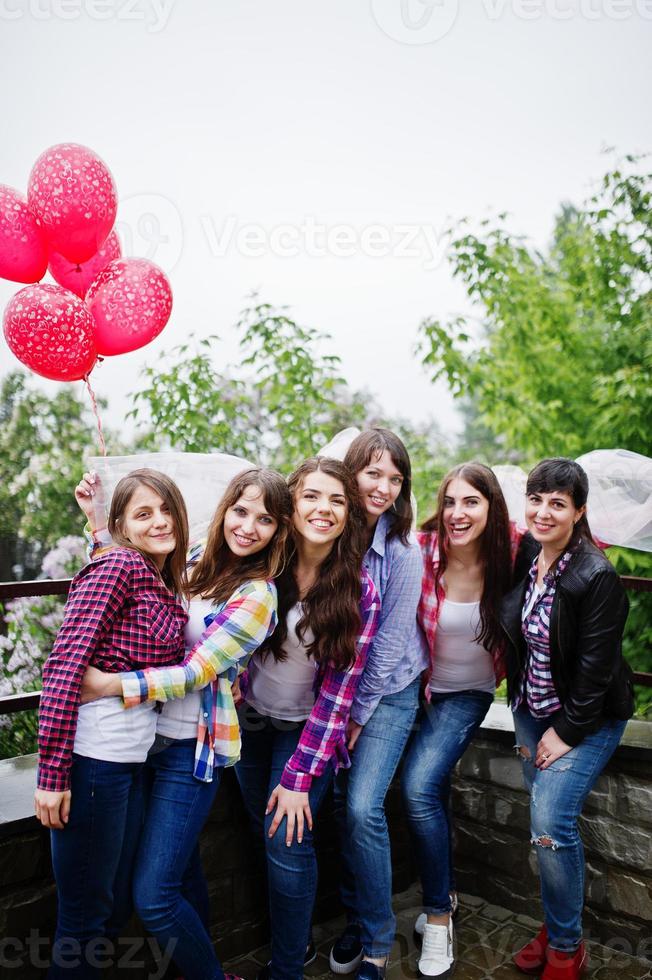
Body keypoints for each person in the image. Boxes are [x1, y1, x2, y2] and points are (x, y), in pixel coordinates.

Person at [76, 466, 293, 980]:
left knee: (153, 898)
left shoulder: (259, 595)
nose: (248, 527)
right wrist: (98, 528)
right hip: (142, 741)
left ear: (278, 532)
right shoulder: (193, 558)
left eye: (265, 520)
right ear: (225, 509)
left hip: (189, 752)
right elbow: (128, 588)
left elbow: (197, 671)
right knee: (180, 874)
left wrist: (111, 685)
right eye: (241, 510)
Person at [35, 469, 190, 979]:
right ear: (123, 526)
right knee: (83, 921)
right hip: (92, 760)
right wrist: (52, 775)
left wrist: (97, 522)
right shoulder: (119, 565)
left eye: (166, 509)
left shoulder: (155, 575)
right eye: (144, 514)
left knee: (114, 909)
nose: (161, 521)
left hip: (128, 762)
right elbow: (64, 666)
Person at [234, 456, 380, 980]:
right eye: (312, 496)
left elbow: (338, 696)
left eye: (337, 500)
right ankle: (296, 944)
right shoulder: (259, 565)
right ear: (290, 505)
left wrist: (298, 777)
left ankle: (287, 967)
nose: (324, 509)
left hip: (308, 730)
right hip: (249, 723)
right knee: (265, 832)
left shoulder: (360, 589)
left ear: (348, 515)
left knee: (287, 840)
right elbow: (197, 591)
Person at [504, 458, 634, 980]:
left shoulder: (595, 576)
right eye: (536, 499)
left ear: (579, 512)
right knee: (543, 828)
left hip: (588, 717)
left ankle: (566, 945)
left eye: (558, 503)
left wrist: (565, 733)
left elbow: (595, 675)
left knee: (550, 824)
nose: (543, 511)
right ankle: (555, 923)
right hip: (531, 709)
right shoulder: (527, 553)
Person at [400, 462, 516, 979]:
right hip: (420, 687)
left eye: (471, 501)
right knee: (435, 792)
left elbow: (572, 544)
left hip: (468, 694)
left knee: (419, 787)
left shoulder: (512, 554)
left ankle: (440, 918)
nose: (457, 512)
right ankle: (442, 891)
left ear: (491, 508)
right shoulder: (422, 550)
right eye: (450, 501)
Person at [328, 428, 430, 980]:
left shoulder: (401, 552)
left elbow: (389, 646)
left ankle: (378, 939)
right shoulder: (329, 529)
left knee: (364, 806)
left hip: (387, 692)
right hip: (334, 693)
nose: (385, 487)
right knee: (340, 806)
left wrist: (357, 716)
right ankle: (358, 915)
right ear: (351, 471)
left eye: (396, 478)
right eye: (374, 473)